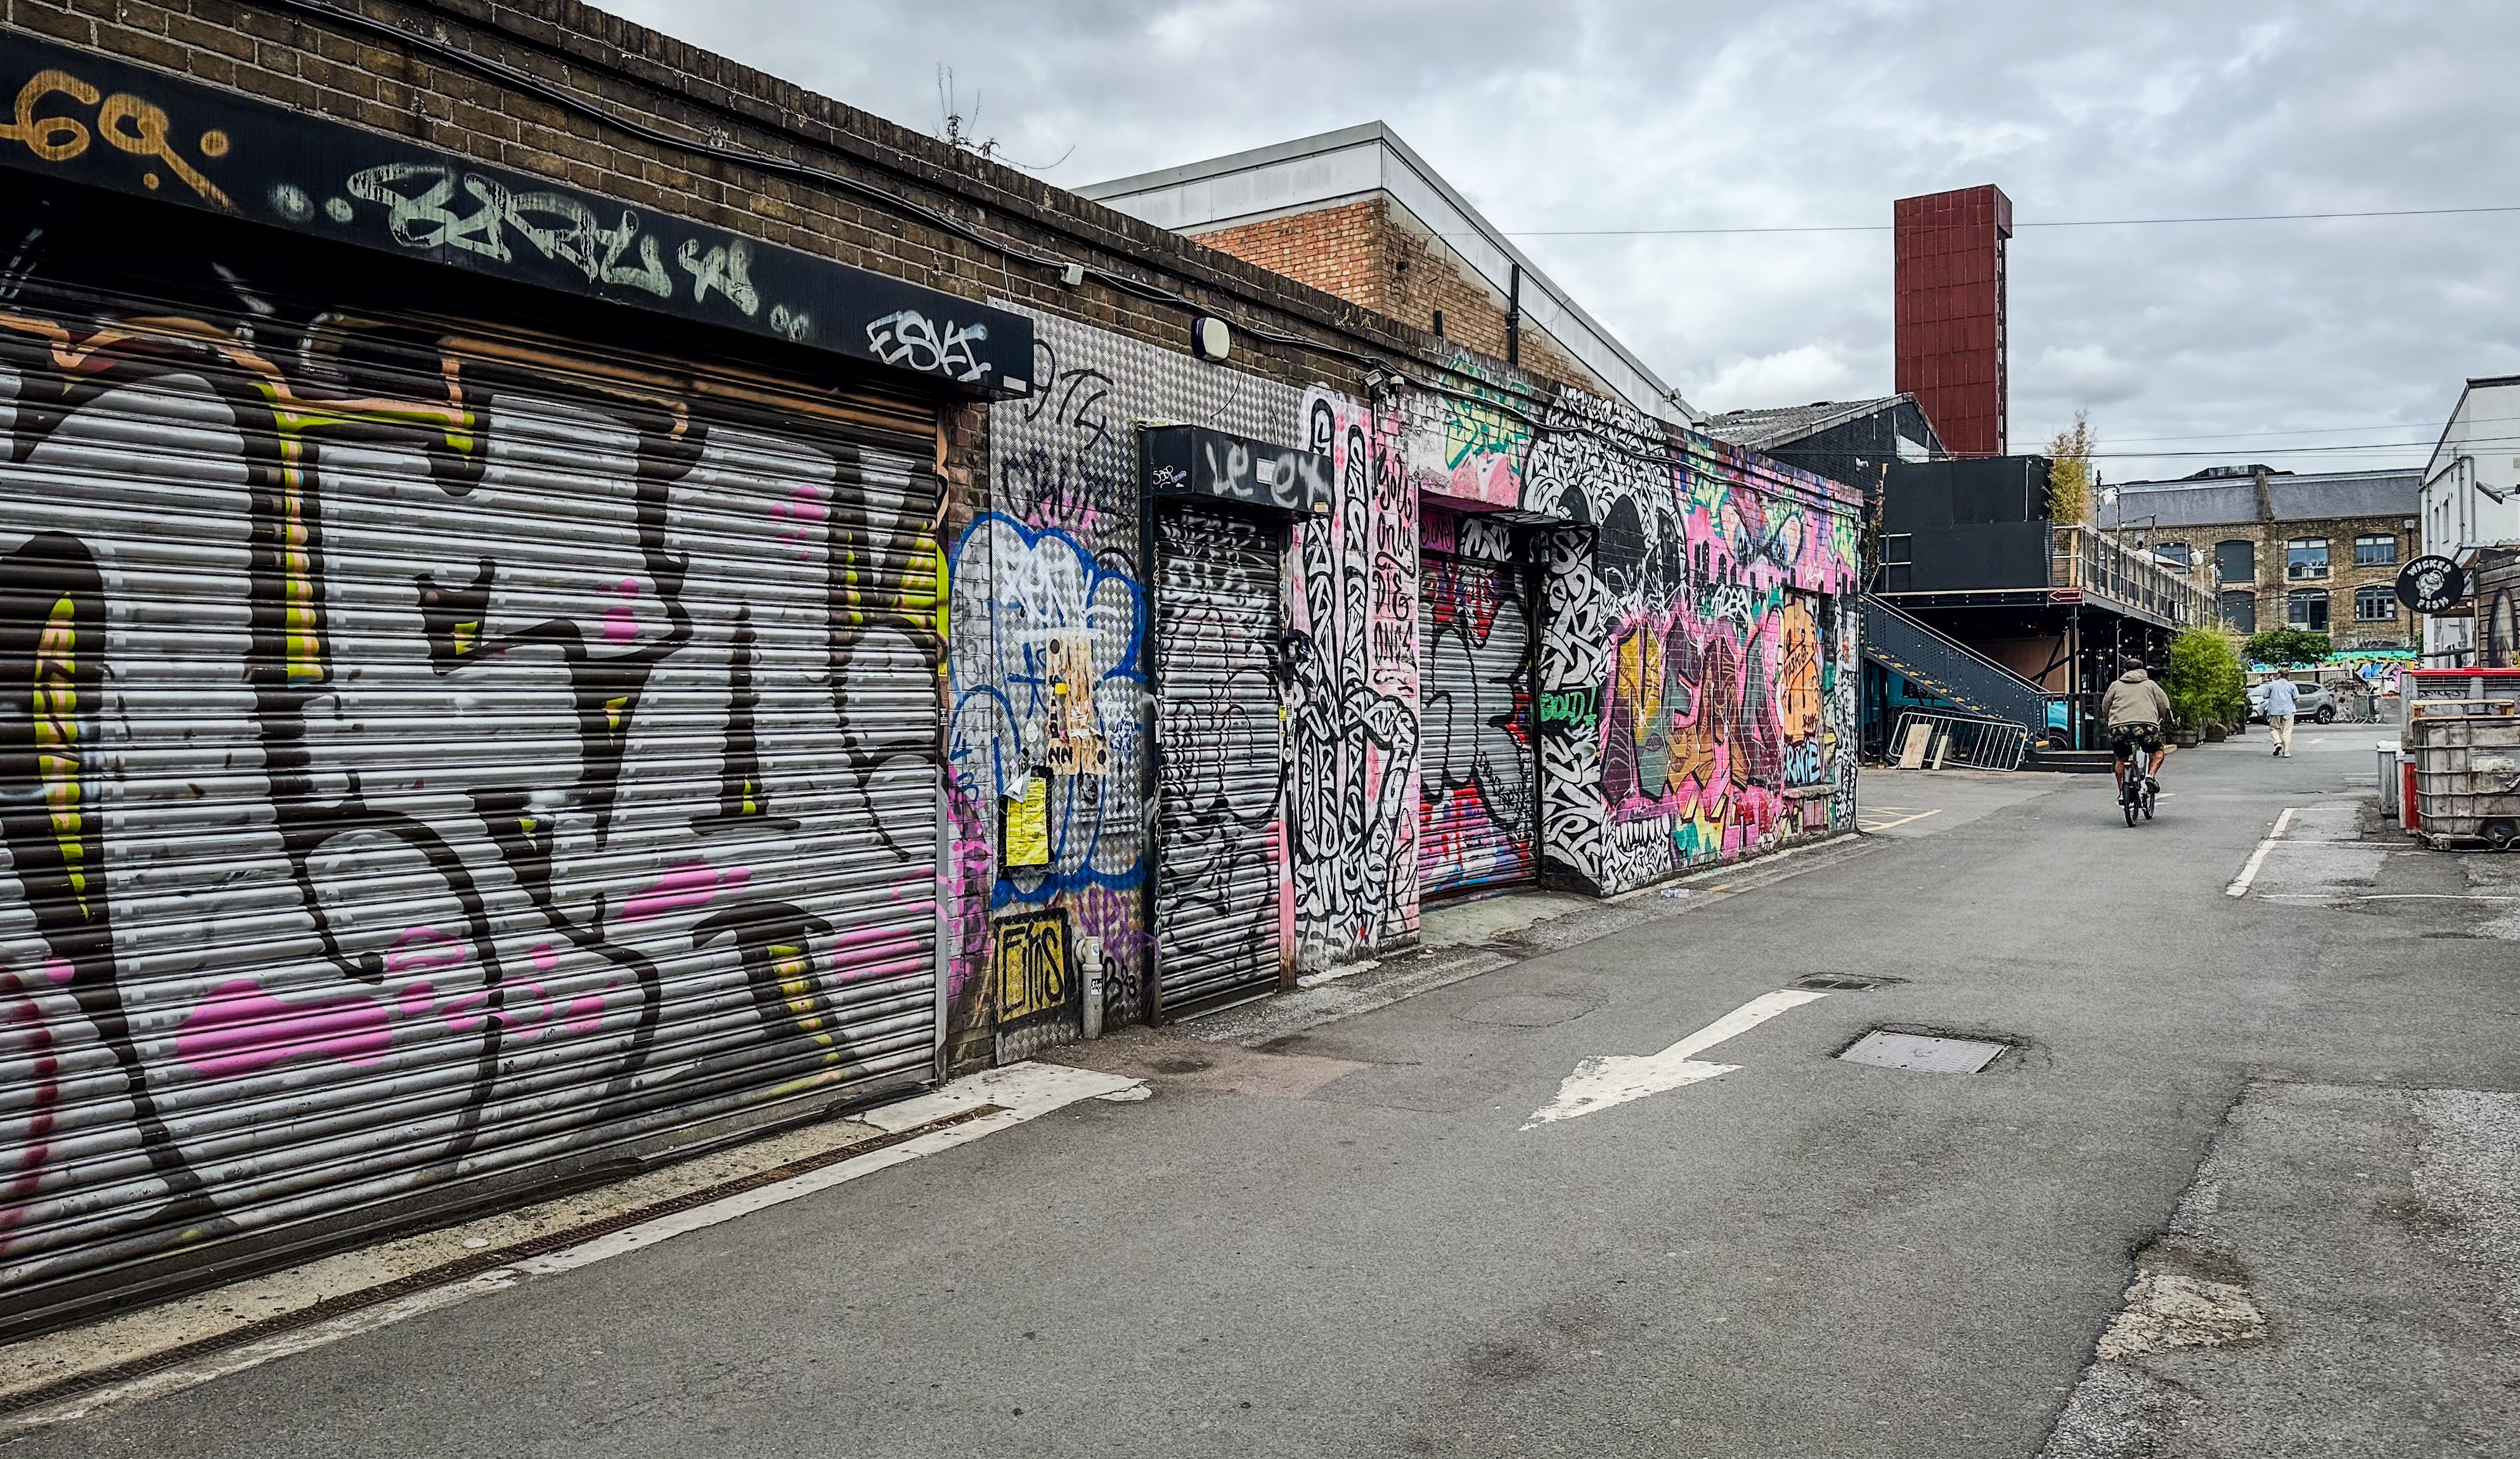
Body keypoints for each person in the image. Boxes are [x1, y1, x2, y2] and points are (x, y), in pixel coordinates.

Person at [2102, 656, 2174, 798]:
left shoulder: (2115, 685)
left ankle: (2122, 793)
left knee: (2121, 758)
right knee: (2158, 751)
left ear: (2124, 671)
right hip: (2146, 727)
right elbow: (2165, 705)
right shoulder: (2151, 685)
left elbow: (2105, 706)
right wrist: (2167, 720)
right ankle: (2150, 776)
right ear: (2142, 670)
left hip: (2120, 728)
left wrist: (2109, 720)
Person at [2261, 669, 2300, 757]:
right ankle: (2286, 752)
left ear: (2279, 675)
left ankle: (2278, 742)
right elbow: (2297, 699)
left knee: (2274, 729)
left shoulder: (2272, 685)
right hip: (2289, 711)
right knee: (2287, 731)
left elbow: (2265, 695)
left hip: (2274, 710)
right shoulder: (2292, 686)